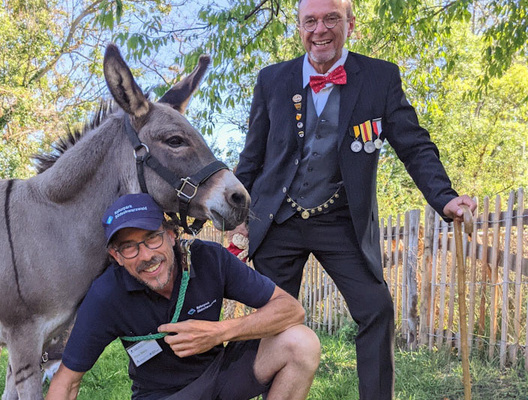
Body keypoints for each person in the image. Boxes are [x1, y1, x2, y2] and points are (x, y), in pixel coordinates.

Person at [233, 0, 477, 399]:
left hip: (340, 219)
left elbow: (413, 146)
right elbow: (253, 156)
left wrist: (445, 198)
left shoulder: (380, 78)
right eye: (310, 20)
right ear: (299, 27)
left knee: (377, 310)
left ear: (351, 23)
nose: (320, 29)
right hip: (277, 218)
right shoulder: (271, 80)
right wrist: (239, 214)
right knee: (269, 321)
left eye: (331, 18)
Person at [46, 193, 320, 400]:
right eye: (129, 248)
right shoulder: (107, 294)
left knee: (301, 342)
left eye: (152, 238)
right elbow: (67, 380)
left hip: (221, 373)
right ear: (116, 257)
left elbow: (291, 310)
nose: (146, 256)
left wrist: (219, 332)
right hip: (161, 394)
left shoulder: (209, 259)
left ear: (171, 235)